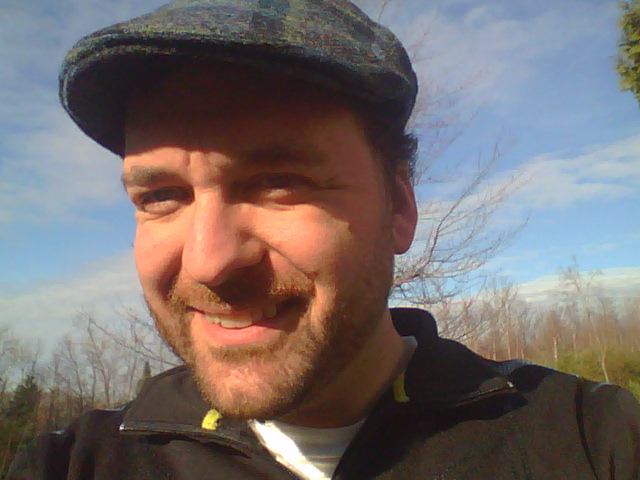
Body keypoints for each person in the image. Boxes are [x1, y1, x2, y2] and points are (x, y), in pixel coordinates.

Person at [9, 0, 640, 478]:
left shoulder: (592, 443)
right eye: (161, 197)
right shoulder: (76, 464)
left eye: (278, 182)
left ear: (398, 208)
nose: (208, 262)